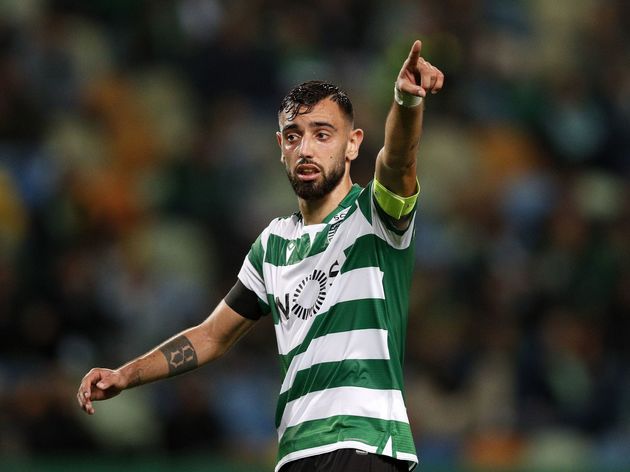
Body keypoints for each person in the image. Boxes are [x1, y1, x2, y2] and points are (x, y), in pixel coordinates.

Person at [77, 39, 444, 472]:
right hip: (295, 453)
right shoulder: (273, 243)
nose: (305, 149)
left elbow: (398, 161)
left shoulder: (374, 216)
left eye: (322, 134)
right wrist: (127, 374)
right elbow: (212, 336)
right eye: (293, 136)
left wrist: (406, 101)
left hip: (365, 444)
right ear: (280, 146)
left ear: (352, 144)